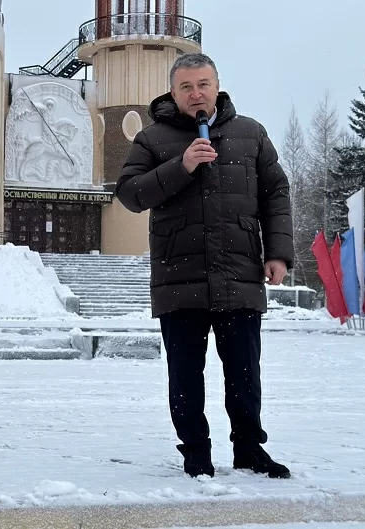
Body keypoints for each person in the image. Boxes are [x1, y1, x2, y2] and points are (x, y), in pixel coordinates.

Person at [115, 53, 293, 479]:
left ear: (217, 85)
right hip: (180, 277)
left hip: (239, 275)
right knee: (185, 375)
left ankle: (249, 449)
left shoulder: (250, 134)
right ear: (173, 92)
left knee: (244, 373)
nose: (196, 94)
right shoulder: (152, 139)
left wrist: (277, 253)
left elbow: (276, 193)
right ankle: (195, 451)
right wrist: (182, 165)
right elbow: (130, 194)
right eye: (186, 87)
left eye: (203, 84)